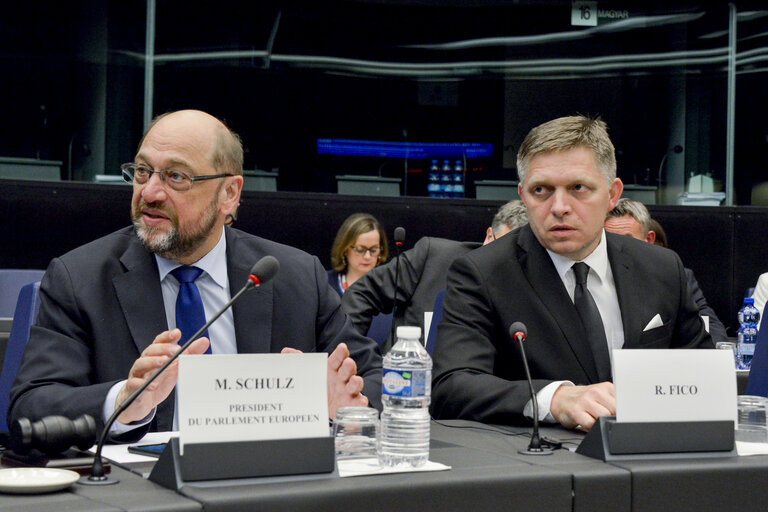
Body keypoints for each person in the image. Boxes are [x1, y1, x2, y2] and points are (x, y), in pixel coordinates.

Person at [8, 110, 382, 442]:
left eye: (176, 176)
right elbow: (31, 406)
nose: (150, 192)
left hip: (271, 487)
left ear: (229, 194)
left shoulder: (294, 277)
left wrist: (345, 409)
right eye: (142, 171)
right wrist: (123, 400)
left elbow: (376, 381)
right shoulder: (79, 279)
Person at [431, 115, 713, 431]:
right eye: (542, 190)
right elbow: (451, 387)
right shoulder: (483, 272)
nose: (559, 206)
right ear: (523, 196)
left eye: (578, 187)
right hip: (542, 465)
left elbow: (702, 380)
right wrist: (555, 399)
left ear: (612, 194)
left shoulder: (661, 267)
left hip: (651, 458)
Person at [342, 200, 527, 351]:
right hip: (402, 381)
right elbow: (362, 294)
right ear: (488, 236)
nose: (500, 260)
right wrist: (358, 356)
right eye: (497, 248)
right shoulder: (434, 257)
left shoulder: (525, 294)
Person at [604, 198, 728, 344]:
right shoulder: (586, 276)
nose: (616, 249)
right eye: (610, 240)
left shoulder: (673, 276)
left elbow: (711, 327)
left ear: (649, 239)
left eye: (627, 241)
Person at [327, 213, 389, 296]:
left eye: (373, 250)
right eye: (360, 250)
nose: (367, 256)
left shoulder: (390, 287)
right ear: (345, 249)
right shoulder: (325, 284)